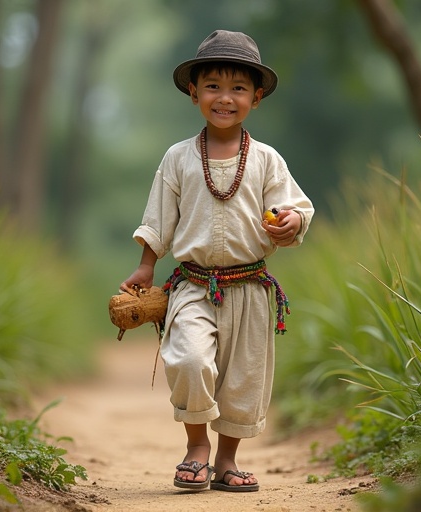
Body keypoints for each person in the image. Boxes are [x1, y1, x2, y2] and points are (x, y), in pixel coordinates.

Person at [120, 29, 314, 492]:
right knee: (188, 358)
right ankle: (196, 446)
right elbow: (159, 218)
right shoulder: (178, 158)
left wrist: (290, 223)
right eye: (212, 86)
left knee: (243, 379)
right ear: (194, 93)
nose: (224, 98)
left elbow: (295, 207)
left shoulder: (267, 160)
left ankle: (227, 460)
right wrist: (147, 265)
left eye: (238, 88)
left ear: (256, 97)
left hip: (250, 286)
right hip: (192, 285)